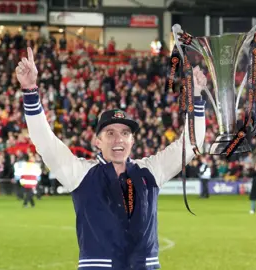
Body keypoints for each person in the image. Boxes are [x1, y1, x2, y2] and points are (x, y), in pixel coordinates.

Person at [16, 47, 207, 270]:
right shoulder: (81, 173)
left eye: (125, 133)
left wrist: (196, 97)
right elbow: (45, 142)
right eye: (110, 133)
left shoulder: (150, 171)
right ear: (97, 141)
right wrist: (30, 90)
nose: (119, 139)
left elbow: (192, 144)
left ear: (133, 140)